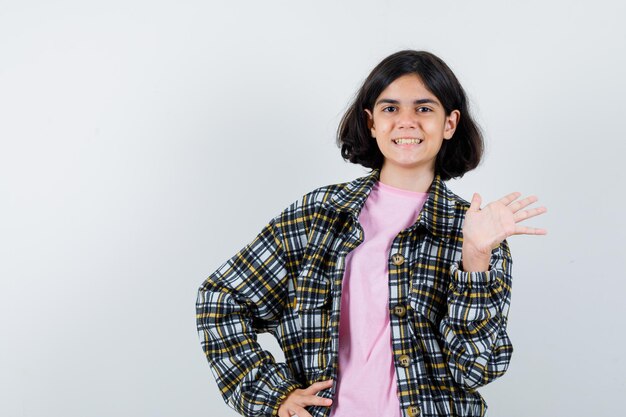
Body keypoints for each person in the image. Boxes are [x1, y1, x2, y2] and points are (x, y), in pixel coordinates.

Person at [196, 50, 547, 417]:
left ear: (450, 123)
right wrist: (273, 395)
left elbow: (475, 368)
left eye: (424, 109)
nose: (406, 122)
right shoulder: (319, 214)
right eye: (390, 108)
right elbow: (220, 299)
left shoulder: (477, 231)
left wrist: (475, 257)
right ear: (371, 122)